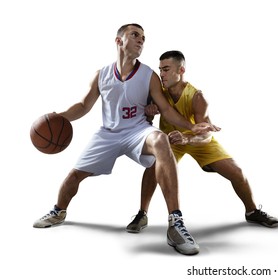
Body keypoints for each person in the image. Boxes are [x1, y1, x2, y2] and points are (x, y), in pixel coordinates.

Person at [32, 24, 218, 256]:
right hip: (108, 134)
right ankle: (58, 211)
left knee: (161, 140)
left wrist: (191, 125)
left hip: (137, 131)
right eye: (135, 35)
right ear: (119, 41)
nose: (141, 40)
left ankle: (175, 223)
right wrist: (58, 117)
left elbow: (166, 110)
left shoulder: (149, 75)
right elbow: (83, 106)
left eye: (143, 37)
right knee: (73, 176)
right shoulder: (102, 74)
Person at [126, 50, 278, 235]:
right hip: (170, 141)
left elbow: (206, 135)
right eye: (160, 69)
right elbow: (145, 122)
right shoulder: (158, 93)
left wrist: (187, 137)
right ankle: (142, 213)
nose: (162, 74)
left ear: (181, 69)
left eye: (166, 69)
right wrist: (149, 113)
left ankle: (252, 211)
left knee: (237, 173)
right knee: (152, 167)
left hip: (196, 140)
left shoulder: (197, 97)